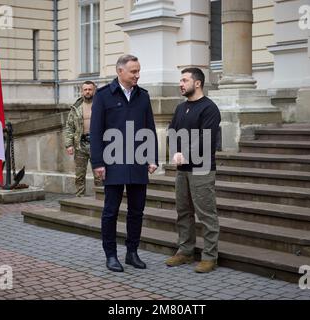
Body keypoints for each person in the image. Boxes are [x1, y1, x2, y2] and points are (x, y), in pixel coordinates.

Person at [90, 54, 159, 272]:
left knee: (136, 211)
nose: (137, 75)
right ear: (120, 71)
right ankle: (111, 255)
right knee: (111, 211)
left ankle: (132, 253)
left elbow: (150, 129)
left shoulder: (143, 96)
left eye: (138, 71)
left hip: (138, 161)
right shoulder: (103, 96)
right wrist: (98, 163)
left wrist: (152, 157)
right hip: (113, 161)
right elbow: (96, 131)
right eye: (133, 72)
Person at [165, 67, 221, 273]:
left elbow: (206, 139)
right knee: (183, 211)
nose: (181, 84)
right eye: (180, 80)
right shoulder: (181, 108)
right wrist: (175, 151)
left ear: (197, 83)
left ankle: (209, 256)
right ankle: (186, 251)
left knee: (206, 213)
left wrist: (185, 153)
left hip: (202, 168)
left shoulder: (209, 108)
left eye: (184, 80)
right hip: (183, 169)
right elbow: (172, 131)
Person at [64, 81, 102, 197]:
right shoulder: (76, 108)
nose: (87, 92)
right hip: (80, 145)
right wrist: (69, 144)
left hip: (97, 145)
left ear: (94, 90)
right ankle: (80, 198)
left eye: (90, 89)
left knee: (99, 174)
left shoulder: (100, 105)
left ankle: (101, 199)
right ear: (82, 91)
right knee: (79, 175)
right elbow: (69, 127)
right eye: (85, 89)